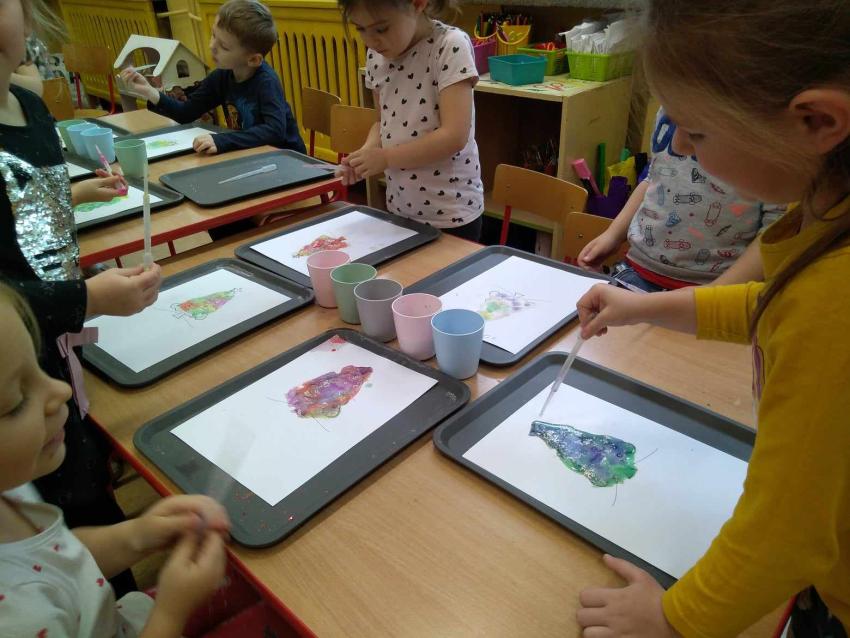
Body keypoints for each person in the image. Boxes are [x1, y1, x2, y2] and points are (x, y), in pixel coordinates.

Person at [574, 1, 850, 636]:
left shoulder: (836, 299)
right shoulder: (826, 210)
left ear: (816, 120)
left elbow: (787, 531)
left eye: (697, 133)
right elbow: (772, 305)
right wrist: (642, 307)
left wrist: (676, 620)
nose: (682, 150)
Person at [1, 0, 163, 595]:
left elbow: (24, 211)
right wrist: (86, 298)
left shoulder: (30, 107)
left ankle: (112, 600)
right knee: (49, 495)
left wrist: (79, 192)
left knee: (81, 463)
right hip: (12, 374)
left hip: (58, 350)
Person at [0, 283, 229, 637]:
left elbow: (59, 560)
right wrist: (172, 611)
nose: (60, 390)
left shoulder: (9, 490)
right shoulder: (17, 622)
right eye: (17, 400)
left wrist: (137, 536)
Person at [578, 107, 784, 290]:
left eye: (695, 134)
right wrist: (613, 235)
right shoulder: (672, 105)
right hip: (638, 271)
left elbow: (776, 230)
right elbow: (653, 179)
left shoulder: (769, 133)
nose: (676, 147)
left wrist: (710, 299)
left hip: (715, 288)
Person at [337, 0, 485, 242]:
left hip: (451, 213)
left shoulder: (449, 45)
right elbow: (382, 122)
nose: (371, 41)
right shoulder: (376, 56)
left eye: (381, 29)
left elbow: (454, 136)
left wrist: (385, 158)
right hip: (401, 206)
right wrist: (366, 154)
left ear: (417, 4)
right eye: (360, 29)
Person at [120, 0, 305, 157]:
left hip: (287, 160)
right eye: (213, 35)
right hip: (254, 156)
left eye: (223, 46)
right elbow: (186, 113)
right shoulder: (222, 76)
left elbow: (274, 131)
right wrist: (150, 92)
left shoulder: (266, 82)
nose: (212, 47)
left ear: (253, 60)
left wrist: (222, 140)